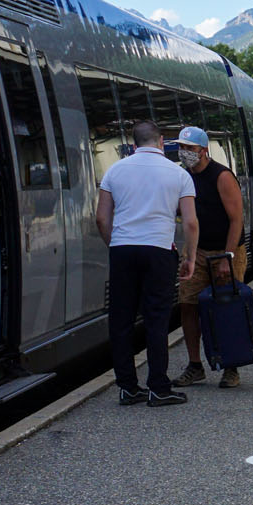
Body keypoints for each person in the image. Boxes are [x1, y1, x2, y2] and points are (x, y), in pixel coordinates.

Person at [95, 120, 196, 406]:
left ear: (133, 143)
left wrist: (115, 243)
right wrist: (190, 255)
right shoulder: (178, 174)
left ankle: (127, 387)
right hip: (159, 251)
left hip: (123, 249)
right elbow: (190, 222)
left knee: (122, 320)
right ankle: (158, 388)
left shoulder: (114, 170)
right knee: (156, 319)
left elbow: (102, 218)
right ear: (162, 141)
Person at [167, 126, 244, 387]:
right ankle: (195, 365)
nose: (185, 153)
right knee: (188, 305)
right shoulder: (183, 177)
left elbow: (236, 220)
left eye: (190, 148)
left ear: (203, 150)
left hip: (225, 250)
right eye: (182, 148)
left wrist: (228, 256)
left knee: (226, 307)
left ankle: (231, 366)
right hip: (197, 251)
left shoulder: (221, 176)